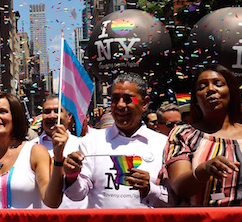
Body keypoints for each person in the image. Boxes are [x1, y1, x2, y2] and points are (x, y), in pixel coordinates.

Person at [160, 64, 242, 206]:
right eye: (202, 87)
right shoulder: (184, 135)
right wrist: (204, 169)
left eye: (218, 84)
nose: (211, 89)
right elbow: (179, 187)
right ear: (195, 98)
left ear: (231, 91)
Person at [62, 73, 168, 208]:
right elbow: (77, 195)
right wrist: (72, 176)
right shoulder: (91, 142)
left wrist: (150, 189)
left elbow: (174, 199)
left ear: (145, 103)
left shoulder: (163, 144)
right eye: (115, 99)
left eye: (128, 100)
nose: (120, 105)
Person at [0, 91, 65, 209]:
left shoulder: (35, 152)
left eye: (2, 111)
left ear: (15, 117)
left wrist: (58, 159)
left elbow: (52, 201)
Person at [33, 94, 84, 209]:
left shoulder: (82, 146)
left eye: (57, 111)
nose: (52, 116)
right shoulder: (30, 148)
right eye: (47, 111)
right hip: (42, 218)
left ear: (69, 116)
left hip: (75, 218)